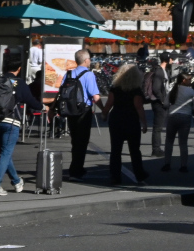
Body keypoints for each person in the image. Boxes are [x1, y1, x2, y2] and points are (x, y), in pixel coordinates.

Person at [0, 53, 44, 196]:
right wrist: (42, 107)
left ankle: (17, 181)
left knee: (5, 153)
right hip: (11, 122)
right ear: (18, 69)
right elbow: (31, 101)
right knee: (6, 153)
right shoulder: (19, 83)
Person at [106, 64, 149, 185]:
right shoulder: (136, 90)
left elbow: (109, 103)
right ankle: (139, 175)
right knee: (135, 150)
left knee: (115, 150)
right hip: (131, 120)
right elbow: (139, 107)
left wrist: (104, 114)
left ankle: (115, 176)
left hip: (116, 119)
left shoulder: (115, 88)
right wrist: (144, 123)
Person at [64, 49, 104, 181]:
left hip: (70, 111)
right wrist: (104, 109)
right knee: (82, 141)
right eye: (89, 60)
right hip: (83, 111)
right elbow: (95, 96)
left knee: (75, 140)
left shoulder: (68, 74)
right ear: (86, 60)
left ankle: (76, 168)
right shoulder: (89, 75)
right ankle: (76, 171)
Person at [162, 72, 194, 172]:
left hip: (172, 117)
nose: (190, 80)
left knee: (169, 141)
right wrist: (189, 109)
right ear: (183, 80)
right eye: (189, 79)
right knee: (183, 142)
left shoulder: (173, 90)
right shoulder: (191, 91)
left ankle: (167, 164)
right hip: (186, 117)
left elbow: (165, 103)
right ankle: (183, 165)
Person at [145, 56, 171, 157]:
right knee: (158, 127)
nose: (172, 61)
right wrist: (163, 100)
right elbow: (156, 88)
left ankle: (157, 149)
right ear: (167, 60)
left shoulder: (164, 71)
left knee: (159, 127)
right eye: (171, 59)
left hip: (160, 101)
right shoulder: (159, 71)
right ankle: (156, 149)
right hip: (158, 102)